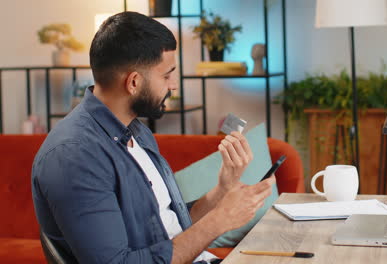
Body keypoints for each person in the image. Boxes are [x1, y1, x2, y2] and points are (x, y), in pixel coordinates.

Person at [32, 11, 275, 264]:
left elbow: (169, 226)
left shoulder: (138, 132)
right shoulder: (74, 156)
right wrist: (220, 221)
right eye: (167, 75)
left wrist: (222, 189)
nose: (174, 86)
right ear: (134, 82)